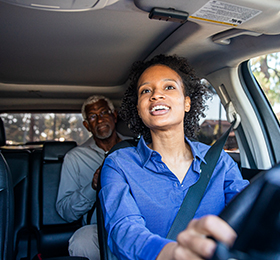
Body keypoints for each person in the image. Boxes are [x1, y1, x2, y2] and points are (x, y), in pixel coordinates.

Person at [99, 54, 250, 260]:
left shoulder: (219, 161)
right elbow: (124, 229)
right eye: (146, 91)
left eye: (168, 87)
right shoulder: (118, 164)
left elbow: (249, 211)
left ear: (187, 103)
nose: (156, 95)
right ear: (139, 109)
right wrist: (172, 254)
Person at [56, 95, 127, 260]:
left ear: (114, 116)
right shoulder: (75, 158)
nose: (100, 119)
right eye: (93, 117)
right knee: (82, 240)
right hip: (99, 228)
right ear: (87, 125)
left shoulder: (136, 147)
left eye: (104, 112)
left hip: (140, 222)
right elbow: (65, 211)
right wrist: (92, 187)